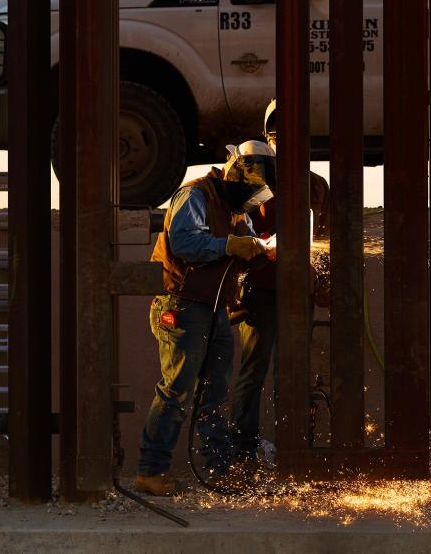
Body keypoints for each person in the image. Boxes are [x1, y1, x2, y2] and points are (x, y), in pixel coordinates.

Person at [136, 140, 277, 497]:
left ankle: (222, 471)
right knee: (176, 390)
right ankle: (150, 471)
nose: (249, 207)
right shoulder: (194, 195)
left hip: (213, 309)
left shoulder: (235, 207)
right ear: (236, 175)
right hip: (181, 306)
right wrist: (230, 245)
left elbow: (243, 246)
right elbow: (184, 242)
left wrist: (260, 250)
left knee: (214, 393)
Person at [229, 99, 330, 465]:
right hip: (258, 291)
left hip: (297, 292)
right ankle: (244, 452)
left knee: (292, 372)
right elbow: (236, 226)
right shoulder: (252, 180)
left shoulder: (316, 186)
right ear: (268, 137)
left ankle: (293, 447)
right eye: (276, 134)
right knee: (254, 371)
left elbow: (325, 240)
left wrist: (322, 287)